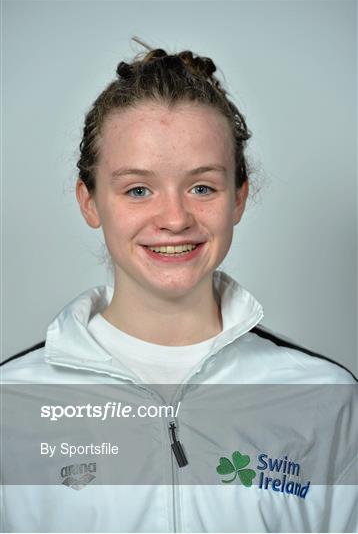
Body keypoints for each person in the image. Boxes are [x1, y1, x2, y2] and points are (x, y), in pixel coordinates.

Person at [1, 38, 357, 533]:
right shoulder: (11, 403)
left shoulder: (325, 399)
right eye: (138, 189)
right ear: (90, 201)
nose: (174, 218)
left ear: (238, 198)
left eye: (202, 187)